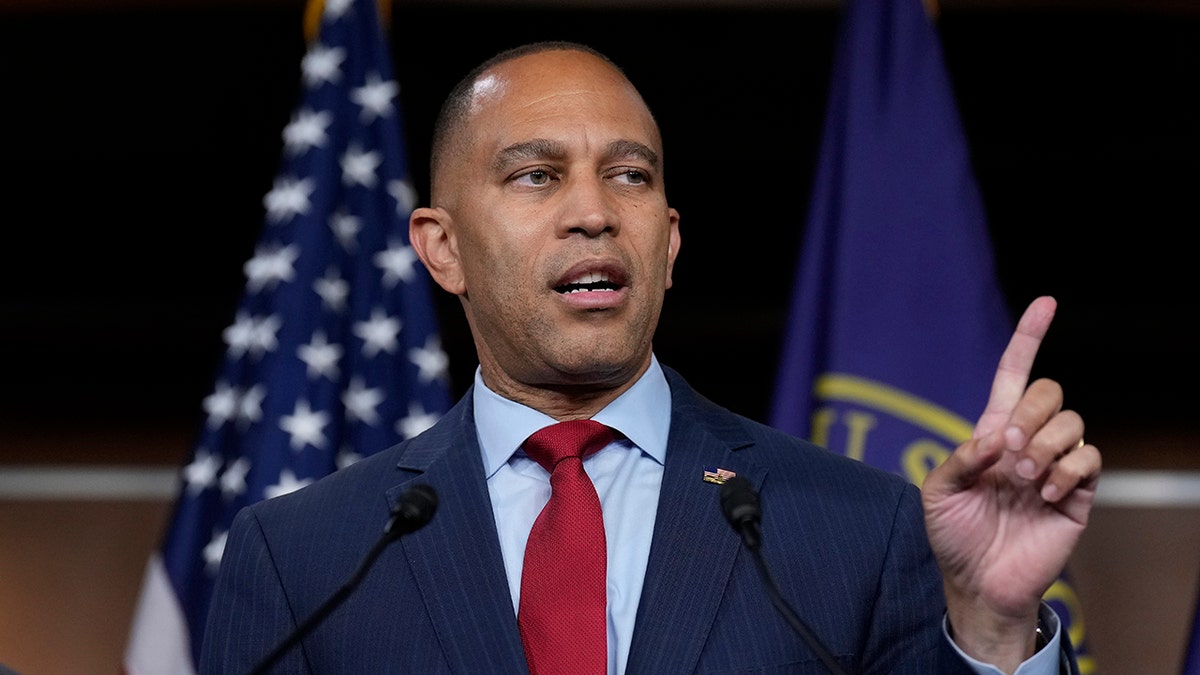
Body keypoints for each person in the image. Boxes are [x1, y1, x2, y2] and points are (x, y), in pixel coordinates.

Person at [201, 41, 1101, 674]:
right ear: (441, 249)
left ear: (668, 244)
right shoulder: (304, 557)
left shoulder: (860, 529)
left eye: (630, 175)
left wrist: (990, 626)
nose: (595, 212)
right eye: (536, 175)